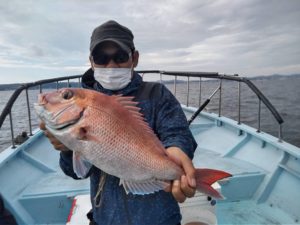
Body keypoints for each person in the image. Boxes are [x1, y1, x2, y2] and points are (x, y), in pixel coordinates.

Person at [40, 20, 197, 225]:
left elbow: (177, 132)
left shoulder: (157, 94)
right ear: (91, 61)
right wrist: (67, 149)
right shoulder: (86, 102)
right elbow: (76, 172)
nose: (111, 65)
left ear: (135, 58)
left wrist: (178, 149)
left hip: (160, 218)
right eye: (102, 58)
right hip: (106, 218)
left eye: (120, 57)